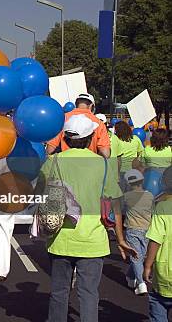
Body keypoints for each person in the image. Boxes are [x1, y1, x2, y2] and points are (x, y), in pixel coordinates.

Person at [42, 114, 136, 322]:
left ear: (65, 138)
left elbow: (40, 191)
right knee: (89, 294)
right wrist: (120, 239)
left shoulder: (53, 161)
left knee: (59, 292)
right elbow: (115, 204)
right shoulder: (103, 165)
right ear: (90, 138)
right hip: (93, 240)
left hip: (60, 238)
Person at [143, 169, 172, 321]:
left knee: (158, 304)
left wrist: (148, 265)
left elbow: (155, 240)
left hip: (165, 273)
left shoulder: (162, 208)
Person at [46, 93, 111, 158]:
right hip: (90, 164)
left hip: (64, 163)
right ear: (91, 106)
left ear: (76, 104)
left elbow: (50, 148)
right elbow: (105, 153)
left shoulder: (62, 119)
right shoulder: (99, 123)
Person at [122, 169, 153, 295]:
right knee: (139, 256)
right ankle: (135, 280)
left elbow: (122, 210)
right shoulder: (150, 195)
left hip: (132, 229)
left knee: (136, 256)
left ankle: (140, 282)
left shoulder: (127, 197)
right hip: (146, 229)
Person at [111, 120, 144, 191]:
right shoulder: (136, 139)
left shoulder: (115, 140)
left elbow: (116, 158)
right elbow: (141, 153)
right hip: (133, 171)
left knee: (122, 196)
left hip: (121, 172)